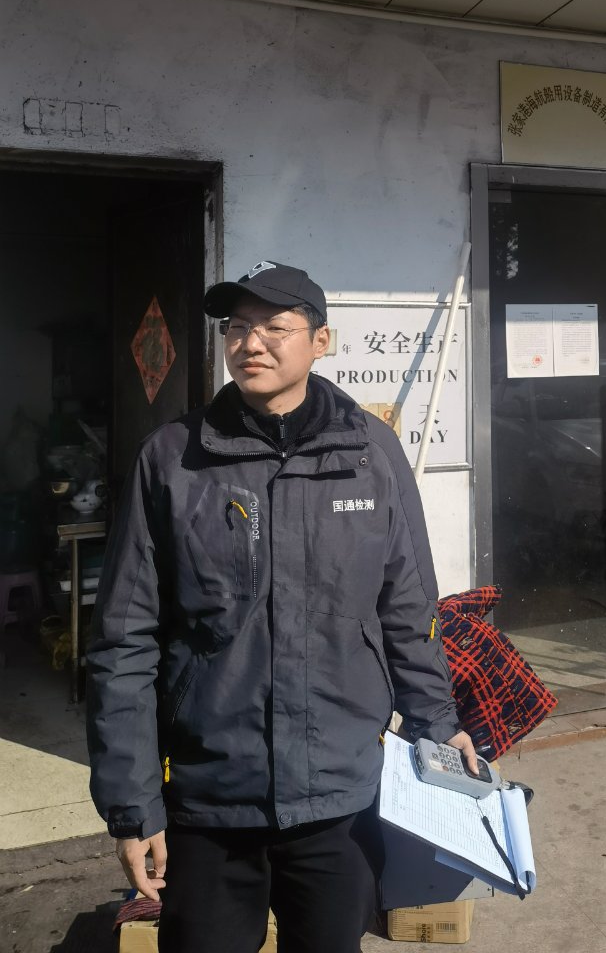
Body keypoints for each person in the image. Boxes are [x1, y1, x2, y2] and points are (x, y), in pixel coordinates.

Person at [86, 261, 476, 953]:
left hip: (340, 798)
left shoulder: (371, 454)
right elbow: (125, 640)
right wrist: (132, 802)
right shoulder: (173, 459)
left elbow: (407, 609)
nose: (251, 343)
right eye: (237, 327)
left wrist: (438, 726)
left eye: (275, 326)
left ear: (321, 340)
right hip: (210, 802)